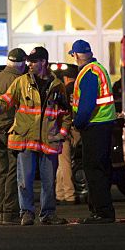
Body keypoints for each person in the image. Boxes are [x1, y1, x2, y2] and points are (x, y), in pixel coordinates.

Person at [0, 46, 71, 226]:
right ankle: (27, 213)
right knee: (24, 180)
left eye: (33, 61)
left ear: (43, 62)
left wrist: (61, 134)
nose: (29, 64)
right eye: (29, 61)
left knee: (48, 181)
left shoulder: (57, 86)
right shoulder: (21, 82)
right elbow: (5, 100)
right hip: (25, 138)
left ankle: (47, 214)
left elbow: (65, 113)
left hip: (48, 140)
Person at [69, 39, 117, 224]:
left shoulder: (88, 73)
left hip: (94, 125)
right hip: (103, 125)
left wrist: (78, 123)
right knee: (101, 169)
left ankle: (102, 212)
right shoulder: (98, 68)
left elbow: (87, 104)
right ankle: (102, 210)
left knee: (93, 169)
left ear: (76, 54)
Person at [0, 48, 27, 224]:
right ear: (22, 63)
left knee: (2, 171)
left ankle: (3, 211)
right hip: (9, 129)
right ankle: (10, 212)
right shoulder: (17, 80)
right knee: (12, 171)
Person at [55, 71, 80, 204]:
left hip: (66, 129)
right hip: (76, 128)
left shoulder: (63, 90)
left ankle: (69, 195)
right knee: (62, 163)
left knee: (63, 162)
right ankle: (60, 194)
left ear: (65, 78)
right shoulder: (78, 88)